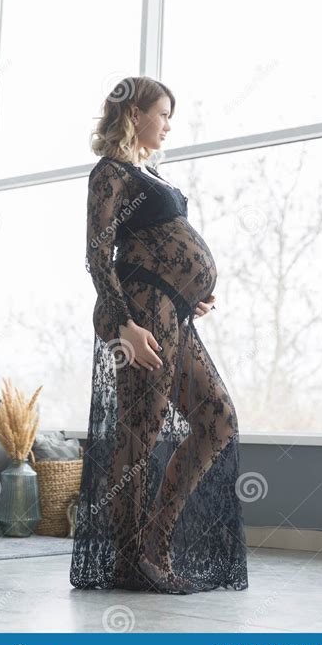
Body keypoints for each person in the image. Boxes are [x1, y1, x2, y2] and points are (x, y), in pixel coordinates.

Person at [70, 76, 248, 594]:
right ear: (135, 114)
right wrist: (124, 323)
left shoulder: (151, 173)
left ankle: (153, 545)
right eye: (163, 113)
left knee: (217, 419)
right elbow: (98, 254)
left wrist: (192, 290)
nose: (169, 124)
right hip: (141, 313)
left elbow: (163, 247)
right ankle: (131, 560)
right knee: (139, 431)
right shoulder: (110, 173)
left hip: (174, 311)